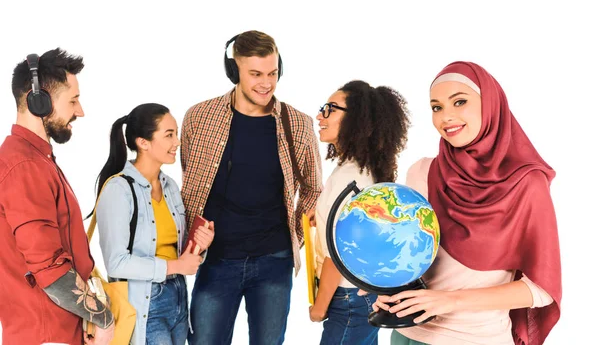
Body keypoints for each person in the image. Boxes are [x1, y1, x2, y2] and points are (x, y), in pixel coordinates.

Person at [371, 62, 562, 345]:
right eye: (436, 107)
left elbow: (541, 289)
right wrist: (383, 287)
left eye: (459, 102)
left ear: (491, 105)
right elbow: (405, 257)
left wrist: (448, 302)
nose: (446, 117)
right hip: (407, 336)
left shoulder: (525, 183)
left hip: (475, 338)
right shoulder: (422, 172)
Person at [182, 30, 323, 345]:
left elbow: (314, 188)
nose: (266, 83)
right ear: (234, 71)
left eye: (272, 73)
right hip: (216, 260)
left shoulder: (297, 123)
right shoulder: (198, 118)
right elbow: (191, 184)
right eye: (256, 74)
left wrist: (294, 239)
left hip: (274, 261)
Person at [0, 49, 115, 345]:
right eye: (73, 101)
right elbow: (48, 267)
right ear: (39, 102)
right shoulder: (26, 167)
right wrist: (103, 318)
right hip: (47, 334)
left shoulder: (35, 159)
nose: (80, 111)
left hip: (57, 331)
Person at [94, 103, 214, 345]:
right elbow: (116, 264)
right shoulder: (118, 190)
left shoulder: (170, 186)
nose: (177, 142)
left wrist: (201, 245)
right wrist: (175, 267)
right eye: (169, 135)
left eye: (176, 133)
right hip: (146, 304)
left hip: (179, 297)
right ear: (143, 142)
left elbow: (176, 253)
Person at [310, 80, 411, 344]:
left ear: (356, 119)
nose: (320, 116)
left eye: (330, 109)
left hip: (348, 300)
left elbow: (338, 255)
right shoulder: (358, 171)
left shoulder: (350, 178)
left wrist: (319, 308)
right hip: (359, 297)